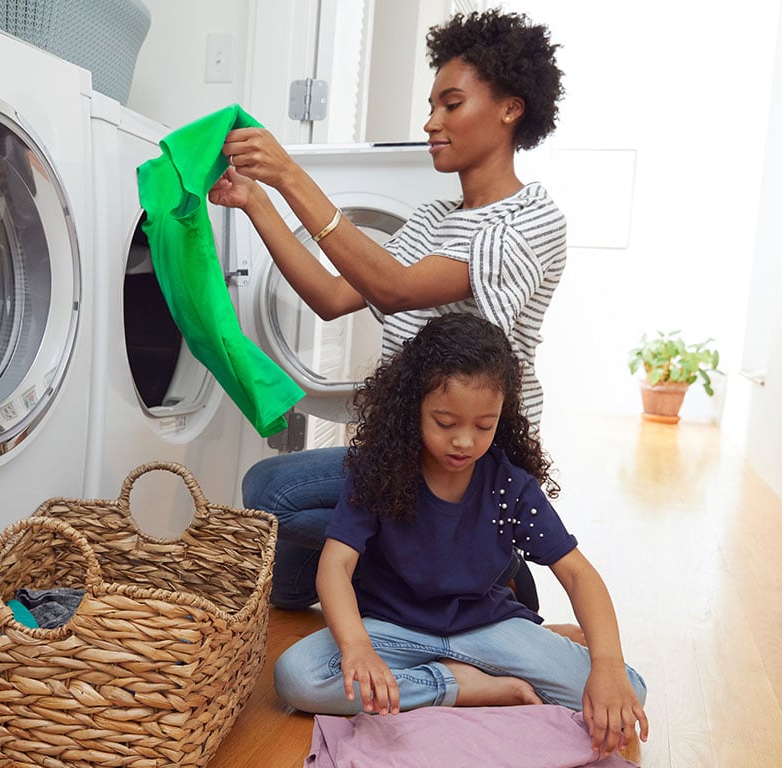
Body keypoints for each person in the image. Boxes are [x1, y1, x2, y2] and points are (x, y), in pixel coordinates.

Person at [208, 9, 567, 609]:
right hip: (408, 446)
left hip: (470, 460)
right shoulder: (432, 219)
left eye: (452, 105)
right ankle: (438, 572)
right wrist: (255, 200)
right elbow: (333, 297)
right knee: (267, 509)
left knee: (273, 495)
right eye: (431, 106)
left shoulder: (530, 222)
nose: (431, 122)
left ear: (511, 109)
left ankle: (470, 557)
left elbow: (397, 288)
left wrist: (291, 175)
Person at [273, 314, 648, 758]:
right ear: (413, 407)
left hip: (487, 628)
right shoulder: (380, 471)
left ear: (501, 417)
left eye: (483, 426)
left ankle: (463, 670)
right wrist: (356, 647)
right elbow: (335, 564)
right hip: (392, 628)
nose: (464, 442)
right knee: (297, 677)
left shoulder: (510, 486)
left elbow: (578, 575)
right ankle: (461, 684)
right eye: (446, 422)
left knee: (630, 692)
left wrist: (606, 667)